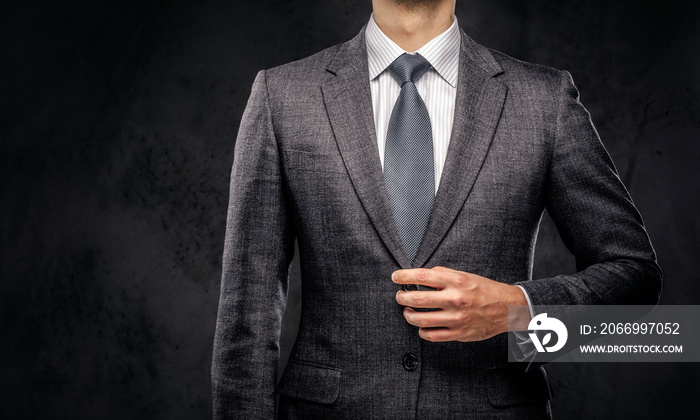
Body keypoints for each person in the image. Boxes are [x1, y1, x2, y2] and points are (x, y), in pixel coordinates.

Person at [211, 0, 662, 418]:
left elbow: (635, 276)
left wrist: (517, 312)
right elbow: (245, 320)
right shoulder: (282, 96)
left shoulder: (544, 101)